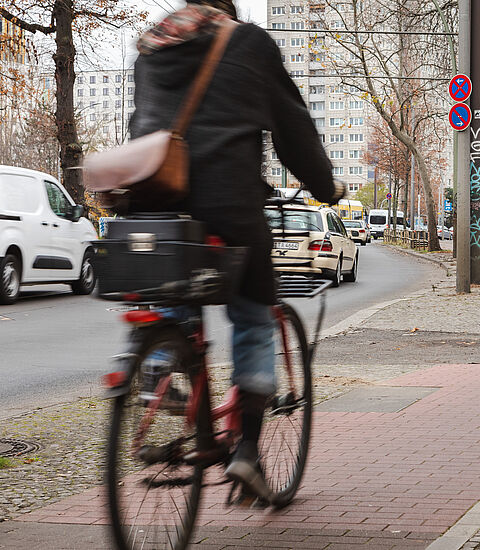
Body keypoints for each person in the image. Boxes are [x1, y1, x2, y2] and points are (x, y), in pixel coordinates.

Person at [129, 0, 344, 499]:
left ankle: (157, 366)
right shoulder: (248, 43)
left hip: (155, 199)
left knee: (172, 284)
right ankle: (247, 451)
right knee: (251, 315)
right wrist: (324, 186)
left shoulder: (154, 43)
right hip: (229, 202)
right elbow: (293, 131)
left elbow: (146, 120)